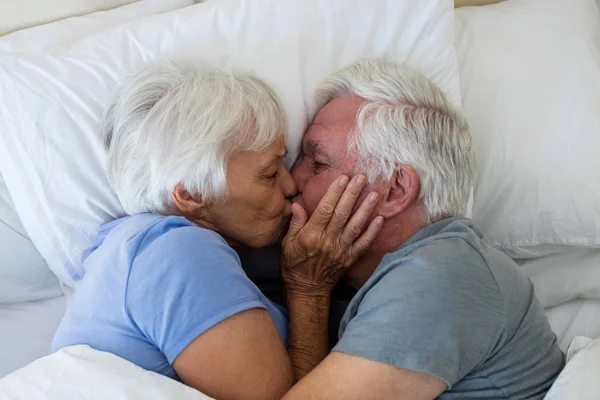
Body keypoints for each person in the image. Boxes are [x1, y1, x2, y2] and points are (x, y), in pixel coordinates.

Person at [51, 62, 383, 400]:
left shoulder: (131, 247)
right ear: (191, 194)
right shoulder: (180, 253)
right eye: (269, 174)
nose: (290, 185)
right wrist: (309, 290)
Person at [279, 59, 565, 399]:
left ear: (396, 191)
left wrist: (307, 289)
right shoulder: (363, 279)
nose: (292, 180)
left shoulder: (443, 273)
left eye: (318, 163)